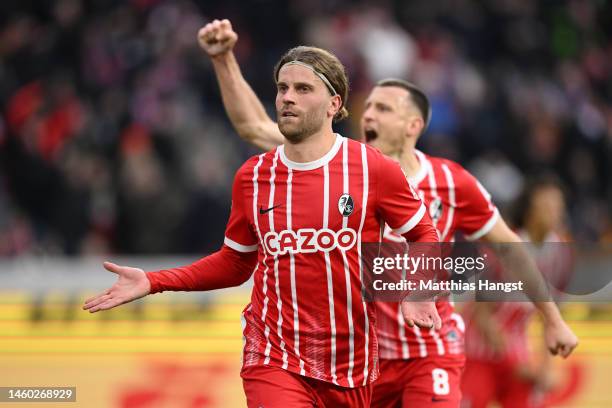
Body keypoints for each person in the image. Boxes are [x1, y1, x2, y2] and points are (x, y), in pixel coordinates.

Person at [197, 18, 579, 408]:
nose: (369, 116)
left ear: (413, 125)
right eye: (369, 107)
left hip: (428, 351)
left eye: (384, 108)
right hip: (366, 360)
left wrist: (553, 320)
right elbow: (252, 125)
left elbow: (510, 247)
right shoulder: (338, 163)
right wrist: (224, 59)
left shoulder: (452, 182)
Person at [83, 29, 442, 407]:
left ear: (334, 103)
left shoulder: (373, 170)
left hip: (349, 361)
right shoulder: (253, 176)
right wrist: (155, 281)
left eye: (303, 89)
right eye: (283, 87)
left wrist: (419, 292)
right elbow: (236, 262)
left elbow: (423, 232)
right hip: (272, 355)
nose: (288, 97)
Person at [462, 175, 575, 408]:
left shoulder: (561, 256)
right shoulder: (503, 246)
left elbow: (551, 319)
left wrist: (545, 367)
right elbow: (482, 315)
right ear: (529, 210)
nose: (553, 212)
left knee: (529, 397)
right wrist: (516, 363)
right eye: (545, 206)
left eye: (557, 206)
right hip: (475, 350)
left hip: (516, 352)